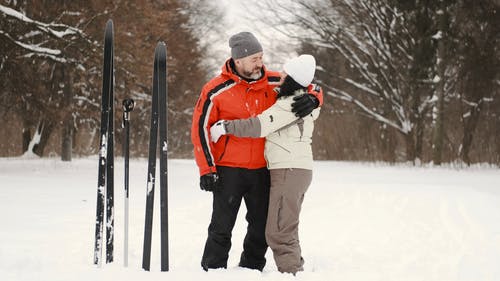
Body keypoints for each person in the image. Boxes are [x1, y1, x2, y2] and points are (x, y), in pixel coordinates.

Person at [190, 32, 323, 271]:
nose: (260, 63)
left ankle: (251, 267)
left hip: (263, 168)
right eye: (254, 58)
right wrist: (207, 168)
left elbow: (307, 84)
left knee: (260, 225)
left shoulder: (274, 81)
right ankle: (213, 268)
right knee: (222, 225)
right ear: (237, 60)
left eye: (261, 57)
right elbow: (200, 129)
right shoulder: (215, 90)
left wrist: (315, 98)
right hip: (228, 168)